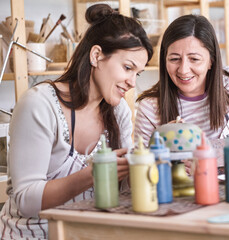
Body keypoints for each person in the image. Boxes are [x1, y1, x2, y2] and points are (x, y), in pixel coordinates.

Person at [0, 4, 152, 239]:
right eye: (127, 67)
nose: (132, 82)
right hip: (30, 234)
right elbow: (27, 201)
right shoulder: (40, 104)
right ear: (96, 55)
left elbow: (123, 192)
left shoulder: (118, 111)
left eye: (137, 73)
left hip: (83, 233)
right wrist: (94, 174)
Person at [134, 14, 229, 163]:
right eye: (174, 59)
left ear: (211, 61)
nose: (183, 70)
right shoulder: (150, 107)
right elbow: (139, 169)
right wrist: (168, 159)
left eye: (194, 59)